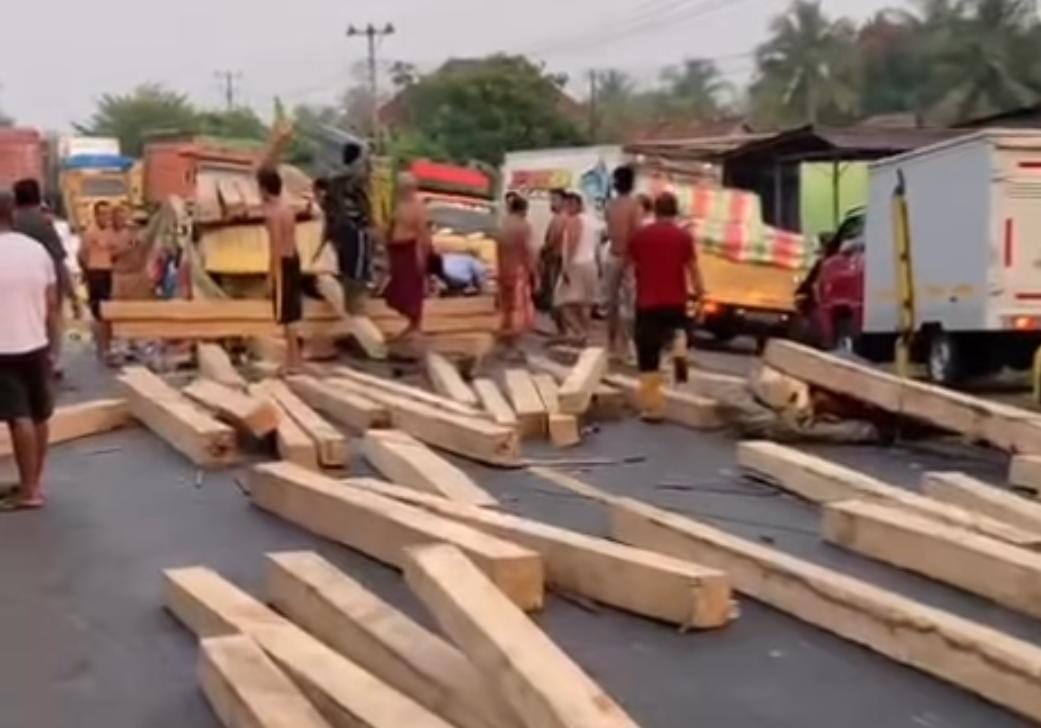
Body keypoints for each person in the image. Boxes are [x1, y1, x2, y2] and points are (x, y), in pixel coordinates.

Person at [0, 192, 58, 510]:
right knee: (38, 414)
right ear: (13, 214)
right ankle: (33, 481)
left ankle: (29, 492)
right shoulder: (35, 251)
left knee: (18, 416)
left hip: (3, 347)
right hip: (35, 342)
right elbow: (51, 302)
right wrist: (51, 342)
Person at [628, 192, 703, 422]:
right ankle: (678, 343)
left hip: (648, 301)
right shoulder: (683, 237)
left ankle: (654, 408)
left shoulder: (640, 236)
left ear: (655, 211)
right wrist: (700, 294)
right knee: (674, 329)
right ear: (675, 211)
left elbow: (632, 267)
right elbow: (692, 268)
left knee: (648, 355)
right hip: (675, 301)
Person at [13, 179, 76, 378]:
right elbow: (58, 257)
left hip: (14, 276)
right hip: (45, 277)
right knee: (52, 318)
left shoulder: (11, 220)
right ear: (37, 195)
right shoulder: (43, 222)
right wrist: (71, 292)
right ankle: (52, 359)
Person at [258, 166, 303, 374]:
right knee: (292, 313)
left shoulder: (272, 213)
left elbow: (275, 246)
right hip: (294, 258)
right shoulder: (288, 208)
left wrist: (270, 276)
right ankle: (294, 359)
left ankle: (292, 361)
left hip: (283, 262)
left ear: (265, 189)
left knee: (286, 315)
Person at [385, 172, 430, 343]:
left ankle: (415, 326)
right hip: (396, 250)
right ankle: (411, 325)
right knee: (396, 291)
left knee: (411, 291)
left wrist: (422, 256)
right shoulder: (398, 205)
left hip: (410, 250)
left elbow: (423, 234)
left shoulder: (418, 207)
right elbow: (391, 226)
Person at [604, 166, 643, 360]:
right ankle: (625, 345)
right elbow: (637, 233)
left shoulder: (611, 205)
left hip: (613, 254)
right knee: (628, 304)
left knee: (611, 303)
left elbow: (610, 231)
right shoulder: (635, 206)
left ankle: (611, 343)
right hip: (629, 258)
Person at [554, 192, 599, 345]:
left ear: (576, 205)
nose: (566, 208)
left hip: (576, 264)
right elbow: (598, 245)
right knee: (585, 304)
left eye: (568, 204)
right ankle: (585, 334)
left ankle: (578, 332)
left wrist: (566, 267)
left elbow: (573, 242)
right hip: (590, 263)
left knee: (560, 302)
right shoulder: (593, 221)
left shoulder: (574, 220)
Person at [496, 194, 535, 357]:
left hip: (504, 269)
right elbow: (527, 252)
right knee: (518, 309)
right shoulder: (523, 226)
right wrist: (533, 272)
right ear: (524, 210)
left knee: (506, 308)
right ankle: (512, 344)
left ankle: (504, 341)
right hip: (518, 271)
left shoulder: (503, 225)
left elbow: (498, 249)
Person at [77, 201, 115, 363]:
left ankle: (107, 344)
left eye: (108, 213)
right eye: (102, 213)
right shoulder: (90, 233)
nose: (105, 217)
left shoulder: (111, 232)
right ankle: (102, 346)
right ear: (96, 215)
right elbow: (82, 254)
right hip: (95, 273)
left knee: (109, 310)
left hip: (109, 272)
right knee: (99, 311)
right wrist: (87, 271)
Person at [537, 187, 567, 329]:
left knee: (556, 293)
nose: (552, 203)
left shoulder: (561, 218)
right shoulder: (561, 217)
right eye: (551, 200)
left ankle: (561, 328)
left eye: (554, 200)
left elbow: (554, 239)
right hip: (556, 258)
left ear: (563, 201)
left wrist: (544, 249)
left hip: (556, 258)